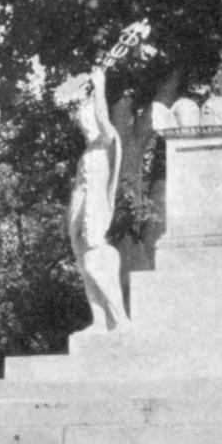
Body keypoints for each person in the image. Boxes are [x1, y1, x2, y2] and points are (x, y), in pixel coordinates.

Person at [65, 66, 130, 333]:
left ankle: (120, 318)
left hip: (96, 205)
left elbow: (103, 118)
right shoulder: (87, 152)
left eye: (86, 118)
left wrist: (100, 87)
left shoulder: (105, 142)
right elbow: (79, 187)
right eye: (81, 120)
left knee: (94, 257)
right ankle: (100, 320)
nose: (83, 124)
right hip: (82, 204)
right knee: (83, 258)